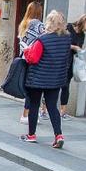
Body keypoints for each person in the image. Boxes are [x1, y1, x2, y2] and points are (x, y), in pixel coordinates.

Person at [20, 10, 71, 149]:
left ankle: (31, 135)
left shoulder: (43, 39)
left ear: (49, 23)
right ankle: (58, 135)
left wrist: (26, 50)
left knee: (34, 105)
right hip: (56, 79)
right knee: (52, 107)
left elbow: (33, 58)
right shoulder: (67, 39)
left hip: (37, 79)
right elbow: (66, 59)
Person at [60, 13, 86, 119]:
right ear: (84, 22)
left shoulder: (82, 35)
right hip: (60, 61)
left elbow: (78, 49)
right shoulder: (68, 27)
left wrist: (79, 51)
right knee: (53, 86)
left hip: (70, 63)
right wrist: (74, 47)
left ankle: (62, 112)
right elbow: (60, 42)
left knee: (66, 86)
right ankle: (44, 109)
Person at [17, 2, 45, 124]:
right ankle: (27, 114)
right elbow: (45, 41)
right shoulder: (39, 26)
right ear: (39, 12)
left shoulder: (24, 24)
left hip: (24, 58)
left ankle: (27, 114)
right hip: (33, 60)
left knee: (29, 88)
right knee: (33, 89)